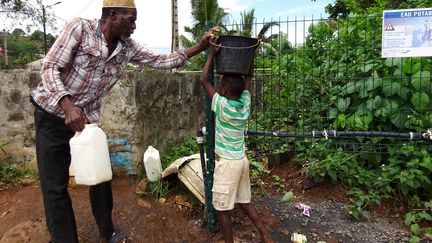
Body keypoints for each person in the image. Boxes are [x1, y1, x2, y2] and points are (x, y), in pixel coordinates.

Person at [30, 0, 219, 242]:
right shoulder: (80, 28)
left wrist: (200, 47)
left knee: (100, 177)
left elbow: (161, 61)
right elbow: (50, 66)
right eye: (130, 19)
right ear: (111, 15)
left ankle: (107, 231)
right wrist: (67, 105)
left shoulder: (126, 47)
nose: (134, 25)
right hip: (52, 114)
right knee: (55, 186)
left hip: (87, 121)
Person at [199, 37, 273, 243]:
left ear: (222, 91)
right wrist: (252, 52)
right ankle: (266, 236)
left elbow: (203, 80)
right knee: (245, 202)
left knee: (222, 209)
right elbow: (249, 77)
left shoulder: (222, 106)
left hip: (229, 164)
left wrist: (212, 55)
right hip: (242, 161)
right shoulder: (244, 105)